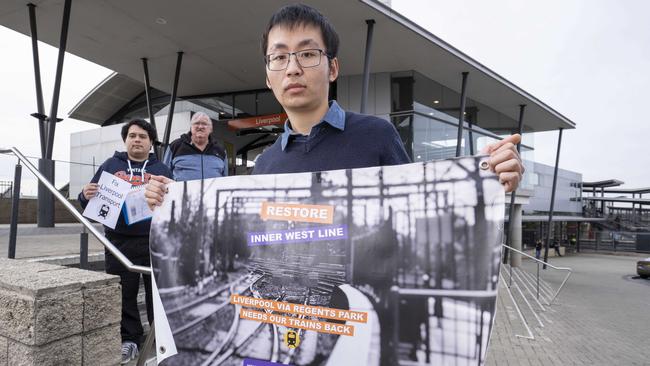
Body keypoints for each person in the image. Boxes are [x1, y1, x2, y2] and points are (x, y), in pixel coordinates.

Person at [145, 4, 524, 206]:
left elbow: (422, 211)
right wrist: (171, 203)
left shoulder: (377, 136)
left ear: (333, 68)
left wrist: (490, 181)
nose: (292, 68)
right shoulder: (265, 164)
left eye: (307, 53)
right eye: (279, 58)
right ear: (268, 76)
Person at [78, 119, 172, 364]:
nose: (137, 139)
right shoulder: (111, 165)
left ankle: (160, 338)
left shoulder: (162, 169)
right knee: (125, 294)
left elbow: (174, 203)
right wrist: (84, 194)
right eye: (132, 136)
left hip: (156, 240)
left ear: (151, 142)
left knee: (158, 294)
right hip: (119, 242)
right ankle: (130, 340)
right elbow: (90, 200)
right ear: (125, 140)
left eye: (142, 136)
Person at [163, 111, 228, 181]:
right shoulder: (175, 146)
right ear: (191, 127)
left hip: (213, 192)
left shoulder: (221, 150)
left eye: (204, 124)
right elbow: (164, 175)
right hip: (182, 192)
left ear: (211, 129)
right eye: (196, 123)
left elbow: (225, 179)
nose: (200, 127)